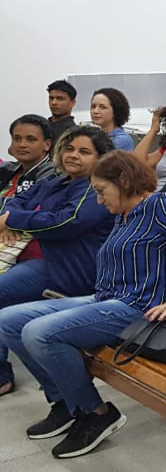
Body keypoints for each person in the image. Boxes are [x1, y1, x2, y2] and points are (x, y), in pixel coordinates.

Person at [0, 150, 166, 458]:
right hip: (107, 298)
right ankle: (63, 402)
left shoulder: (158, 206)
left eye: (102, 191)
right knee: (8, 321)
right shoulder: (124, 215)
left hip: (138, 306)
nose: (100, 200)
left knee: (39, 333)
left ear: (125, 181)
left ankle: (97, 413)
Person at [0, 126, 113, 399]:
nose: (73, 155)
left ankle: (14, 380)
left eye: (84, 151)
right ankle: (59, 395)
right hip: (41, 261)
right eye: (70, 149)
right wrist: (10, 215)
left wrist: (13, 220)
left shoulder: (94, 189)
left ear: (101, 158)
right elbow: (12, 201)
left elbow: (65, 223)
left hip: (67, 271)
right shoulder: (56, 182)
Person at [0, 115, 57, 201]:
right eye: (17, 138)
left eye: (31, 139)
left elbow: (29, 204)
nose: (22, 144)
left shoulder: (53, 174)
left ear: (47, 145)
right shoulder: (5, 168)